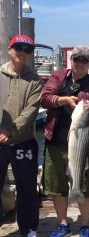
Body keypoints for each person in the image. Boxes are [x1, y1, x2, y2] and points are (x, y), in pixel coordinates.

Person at [41, 45, 89, 237]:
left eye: (84, 60)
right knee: (56, 186)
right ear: (71, 60)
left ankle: (85, 225)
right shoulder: (58, 77)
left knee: (83, 187)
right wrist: (63, 100)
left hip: (80, 145)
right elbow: (44, 98)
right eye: (77, 59)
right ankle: (63, 223)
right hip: (54, 141)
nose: (80, 63)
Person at [0, 35, 43, 237]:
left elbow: (31, 110)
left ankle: (29, 228)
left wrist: (10, 130)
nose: (24, 52)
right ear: (10, 49)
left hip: (22, 141)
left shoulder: (35, 79)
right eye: (19, 48)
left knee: (27, 188)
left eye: (28, 50)